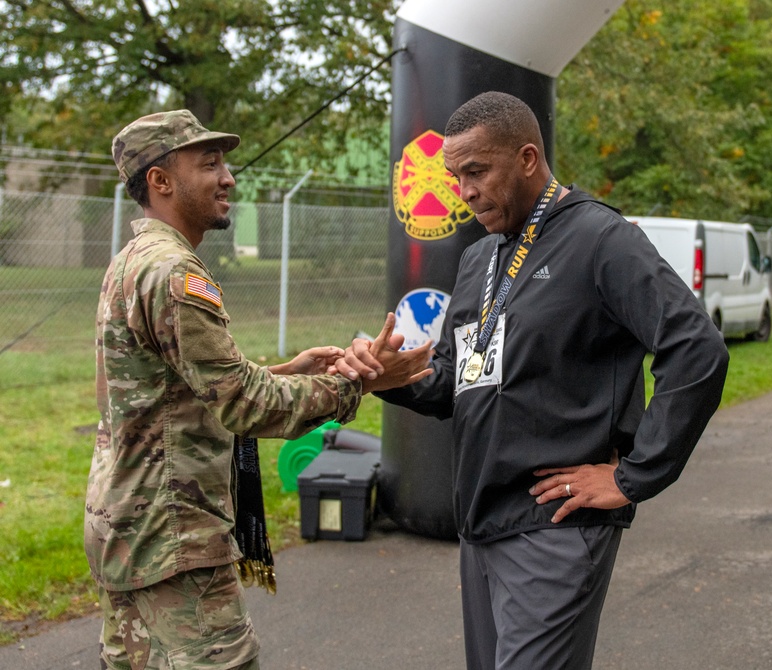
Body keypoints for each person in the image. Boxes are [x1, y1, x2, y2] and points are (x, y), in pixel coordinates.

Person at [337, 91, 729, 670]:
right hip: (481, 525)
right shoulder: (478, 259)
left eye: (477, 171)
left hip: (555, 528)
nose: (465, 191)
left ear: (526, 158)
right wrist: (389, 378)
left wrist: (632, 476)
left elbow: (695, 348)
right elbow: (457, 380)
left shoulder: (600, 238)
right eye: (455, 177)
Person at [85, 109, 432, 670]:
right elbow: (242, 404)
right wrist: (356, 383)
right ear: (160, 180)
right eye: (210, 164)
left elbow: (171, 393)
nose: (229, 178)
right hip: (173, 538)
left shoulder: (132, 261)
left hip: (128, 525)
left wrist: (286, 373)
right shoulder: (175, 273)